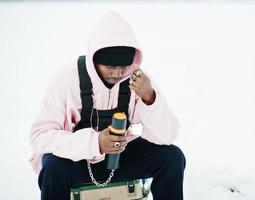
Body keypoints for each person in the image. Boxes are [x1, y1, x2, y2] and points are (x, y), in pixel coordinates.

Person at [29, 11, 185, 200]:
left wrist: (150, 98)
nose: (118, 73)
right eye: (110, 67)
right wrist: (95, 143)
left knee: (172, 157)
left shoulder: (137, 79)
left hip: (121, 158)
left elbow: (166, 136)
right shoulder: (67, 80)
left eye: (123, 66)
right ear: (94, 59)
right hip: (77, 160)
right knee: (53, 166)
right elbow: (39, 137)